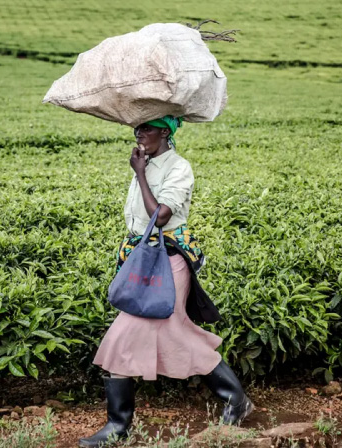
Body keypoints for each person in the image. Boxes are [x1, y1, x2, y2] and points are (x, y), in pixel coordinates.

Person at [79, 116, 253, 447]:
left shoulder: (178, 167)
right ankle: (236, 400)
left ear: (165, 132)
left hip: (170, 262)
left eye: (147, 127)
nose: (139, 132)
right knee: (177, 331)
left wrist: (140, 174)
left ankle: (118, 426)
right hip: (145, 261)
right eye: (137, 127)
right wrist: (141, 170)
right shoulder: (145, 163)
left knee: (122, 333)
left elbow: (160, 216)